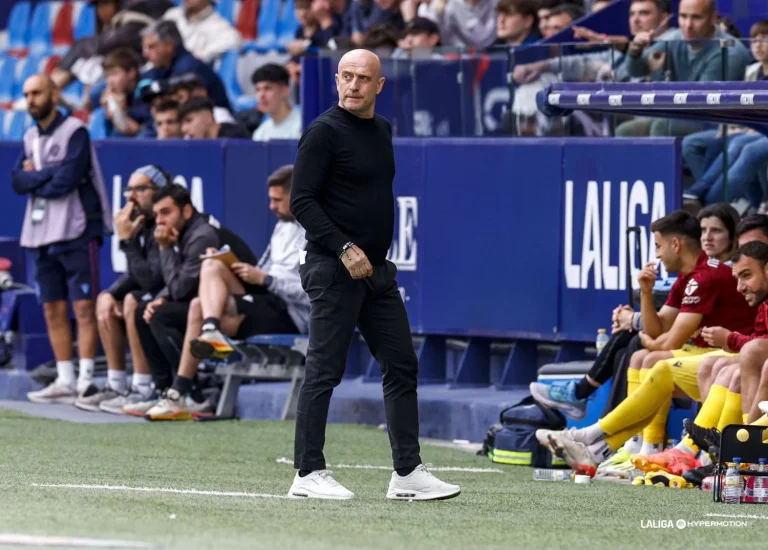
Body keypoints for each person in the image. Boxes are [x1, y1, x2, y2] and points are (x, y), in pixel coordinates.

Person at [287, 49, 460, 501]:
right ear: (336, 80)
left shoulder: (382, 129)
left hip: (377, 270)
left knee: (402, 363)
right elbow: (301, 201)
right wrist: (344, 247)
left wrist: (370, 257)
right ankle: (307, 473)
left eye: (363, 78)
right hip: (333, 266)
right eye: (346, 76)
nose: (353, 85)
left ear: (379, 86)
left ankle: (407, 473)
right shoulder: (323, 132)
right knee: (324, 369)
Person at [530, 203, 740, 420]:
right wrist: (646, 293)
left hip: (729, 352)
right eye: (704, 230)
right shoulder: (687, 275)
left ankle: (615, 433)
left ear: (675, 244)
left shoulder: (705, 276)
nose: (657, 255)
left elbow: (668, 342)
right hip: (709, 349)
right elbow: (658, 328)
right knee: (638, 353)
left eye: (658, 246)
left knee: (648, 357)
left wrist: (643, 333)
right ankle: (635, 441)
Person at [144, 165, 309, 420]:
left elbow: (314, 294)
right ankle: (208, 336)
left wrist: (266, 280)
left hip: (291, 314)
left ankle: (180, 393)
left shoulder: (317, 234)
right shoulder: (282, 226)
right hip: (267, 300)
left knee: (199, 305)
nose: (271, 206)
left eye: (277, 200)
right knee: (211, 265)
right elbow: (263, 270)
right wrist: (235, 266)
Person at [12, 75, 112, 404]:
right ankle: (65, 378)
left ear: (54, 94)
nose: (31, 100)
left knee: (83, 306)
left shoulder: (75, 132)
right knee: (52, 308)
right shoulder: (28, 137)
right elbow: (17, 181)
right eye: (27, 94)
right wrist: (44, 175)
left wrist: (36, 177)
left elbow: (68, 180)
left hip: (76, 227)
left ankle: (86, 379)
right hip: (40, 234)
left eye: (37, 92)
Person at [76, 165, 171, 413]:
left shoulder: (164, 221)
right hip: (156, 293)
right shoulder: (141, 221)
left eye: (140, 189)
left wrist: (127, 241)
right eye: (129, 189)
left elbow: (152, 280)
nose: (130, 196)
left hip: (174, 295)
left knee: (131, 301)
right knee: (106, 299)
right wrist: (110, 294)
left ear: (159, 191)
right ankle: (117, 384)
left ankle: (142, 387)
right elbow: (135, 275)